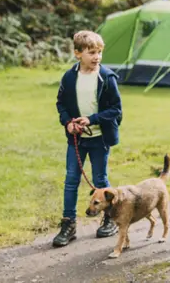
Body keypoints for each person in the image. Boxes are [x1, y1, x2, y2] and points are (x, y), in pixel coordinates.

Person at [53, 30, 123, 247]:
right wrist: (68, 123)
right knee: (71, 180)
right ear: (77, 54)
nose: (97, 57)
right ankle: (69, 224)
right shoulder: (69, 77)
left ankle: (109, 219)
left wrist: (92, 119)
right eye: (92, 52)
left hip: (100, 140)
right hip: (77, 140)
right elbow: (61, 105)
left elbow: (116, 110)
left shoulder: (107, 78)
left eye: (99, 52)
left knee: (101, 180)